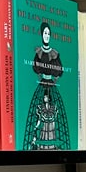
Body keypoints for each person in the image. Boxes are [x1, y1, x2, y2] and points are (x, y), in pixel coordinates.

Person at [23, 22, 70, 150]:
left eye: (48, 33)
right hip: (42, 85)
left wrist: (54, 79)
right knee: (38, 112)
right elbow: (35, 67)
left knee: (55, 116)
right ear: (41, 34)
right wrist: (42, 77)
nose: (47, 36)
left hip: (52, 85)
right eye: (45, 33)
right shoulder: (38, 52)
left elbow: (59, 70)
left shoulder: (54, 53)